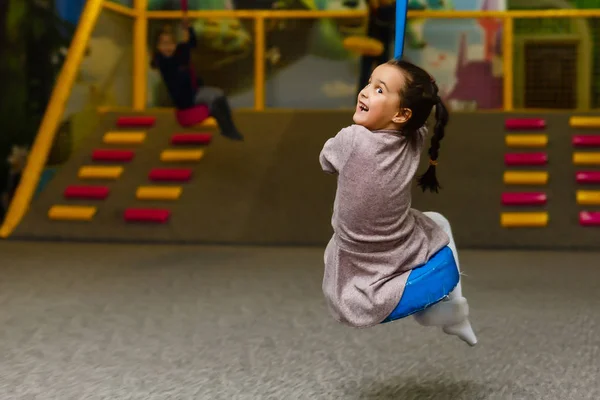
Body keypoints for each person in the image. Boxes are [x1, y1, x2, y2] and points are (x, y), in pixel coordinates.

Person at [319, 59, 477, 346]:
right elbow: (416, 121)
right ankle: (455, 311)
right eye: (369, 83)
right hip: (401, 246)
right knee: (438, 222)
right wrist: (397, 92)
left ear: (403, 114)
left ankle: (446, 311)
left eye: (379, 90)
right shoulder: (414, 140)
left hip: (356, 259)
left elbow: (326, 162)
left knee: (335, 245)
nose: (365, 92)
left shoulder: (351, 139)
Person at [151, 19, 244, 141]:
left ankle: (227, 126)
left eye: (170, 44)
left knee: (219, 95)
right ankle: (226, 127)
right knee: (216, 98)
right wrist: (183, 50)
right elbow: (166, 61)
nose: (168, 47)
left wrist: (188, 29)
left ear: (175, 44)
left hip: (193, 92)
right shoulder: (161, 61)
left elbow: (192, 43)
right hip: (186, 100)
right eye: (164, 44)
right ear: (158, 47)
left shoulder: (177, 53)